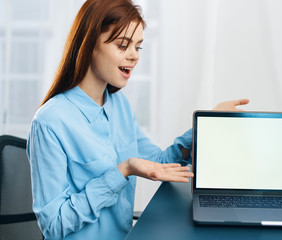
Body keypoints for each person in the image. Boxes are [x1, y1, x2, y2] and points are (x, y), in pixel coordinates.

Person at [26, 0, 249, 239]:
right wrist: (122, 170)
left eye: (138, 47)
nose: (134, 56)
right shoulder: (50, 121)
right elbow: (54, 225)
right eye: (123, 45)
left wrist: (204, 126)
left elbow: (158, 162)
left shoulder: (119, 105)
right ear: (90, 44)